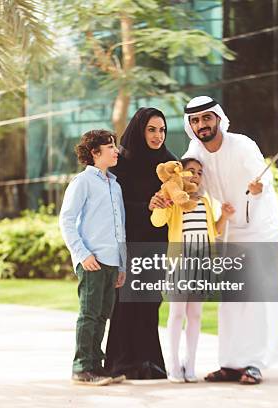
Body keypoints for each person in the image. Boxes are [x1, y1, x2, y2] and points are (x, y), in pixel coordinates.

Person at [182, 95, 278, 385]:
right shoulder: (194, 151)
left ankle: (254, 363)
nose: (202, 124)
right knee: (231, 297)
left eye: (206, 118)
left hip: (259, 226)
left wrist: (259, 185)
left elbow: (265, 180)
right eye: (196, 120)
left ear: (217, 118)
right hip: (228, 228)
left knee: (257, 296)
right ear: (191, 125)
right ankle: (230, 363)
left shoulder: (243, 144)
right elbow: (187, 181)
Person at [104, 107, 177, 379]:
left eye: (162, 130)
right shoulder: (119, 162)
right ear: (139, 129)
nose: (158, 136)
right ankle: (120, 363)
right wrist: (146, 205)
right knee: (124, 302)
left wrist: (167, 203)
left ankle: (149, 363)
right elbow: (112, 204)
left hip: (157, 243)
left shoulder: (169, 164)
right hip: (127, 241)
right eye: (152, 129)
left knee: (149, 301)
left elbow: (179, 201)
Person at [150, 157, 235, 383]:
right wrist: (161, 203)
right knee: (177, 313)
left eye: (199, 172)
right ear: (180, 174)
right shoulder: (174, 198)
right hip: (180, 262)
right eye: (191, 171)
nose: (195, 176)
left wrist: (224, 217)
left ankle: (191, 364)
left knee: (195, 315)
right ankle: (174, 365)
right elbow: (157, 221)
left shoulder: (205, 203)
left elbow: (213, 232)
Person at [59, 129, 127, 386]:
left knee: (101, 315)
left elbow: (120, 226)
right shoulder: (82, 182)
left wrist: (122, 263)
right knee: (88, 314)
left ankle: (96, 367)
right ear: (94, 153)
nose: (115, 151)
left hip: (111, 262)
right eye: (110, 146)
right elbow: (66, 221)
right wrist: (82, 254)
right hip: (91, 260)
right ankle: (82, 367)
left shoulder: (115, 185)